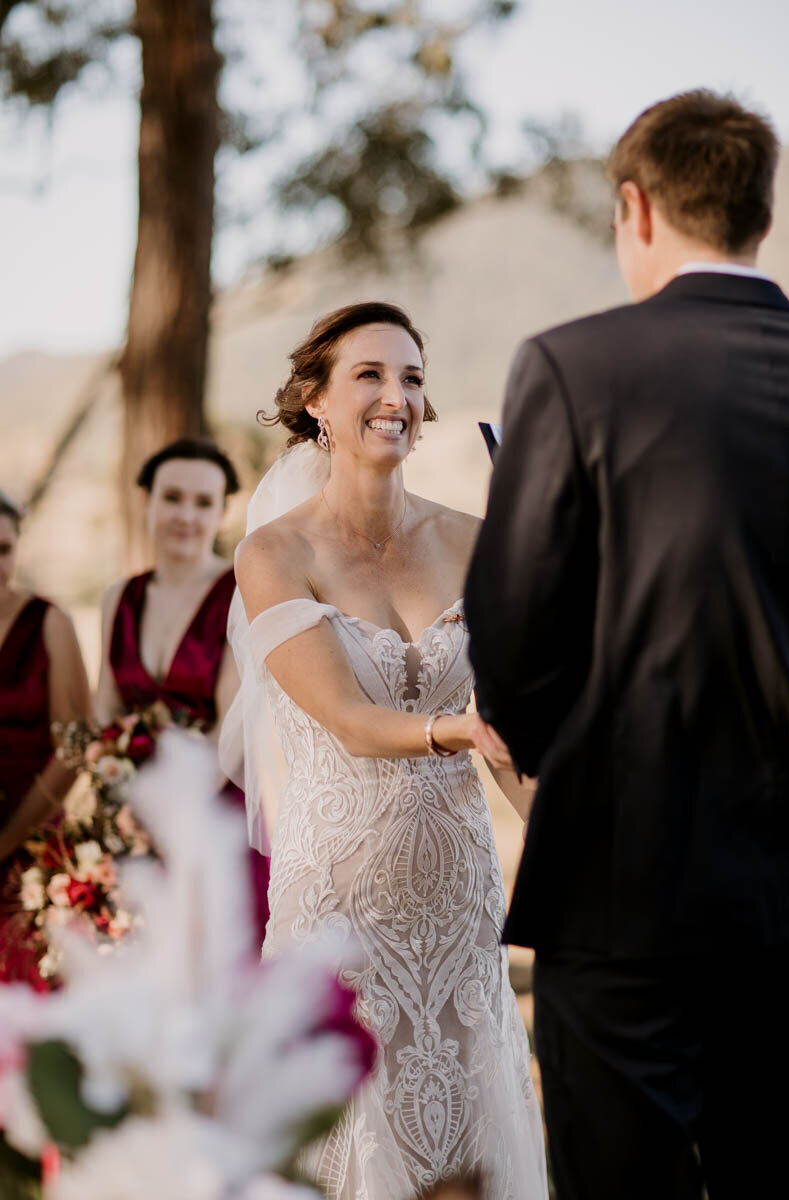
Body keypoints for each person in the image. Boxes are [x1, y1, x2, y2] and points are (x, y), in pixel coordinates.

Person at [465, 89, 789, 1199]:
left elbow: (511, 648)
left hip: (624, 886)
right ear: (756, 214)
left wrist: (592, 750)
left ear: (633, 208)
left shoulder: (575, 368)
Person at [230, 302, 546, 1198]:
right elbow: (344, 715)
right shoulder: (273, 553)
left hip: (458, 904)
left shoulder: (476, 541)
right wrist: (453, 727)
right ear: (315, 403)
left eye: (410, 377)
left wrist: (572, 836)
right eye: (368, 374)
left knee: (471, 1145)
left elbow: (512, 730)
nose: (395, 396)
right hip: (338, 905)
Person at [95, 438, 270, 944]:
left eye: (202, 503)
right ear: (146, 501)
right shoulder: (118, 598)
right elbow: (106, 709)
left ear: (221, 512)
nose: (185, 516)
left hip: (218, 817)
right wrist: (123, 807)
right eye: (172, 498)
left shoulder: (239, 593)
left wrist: (167, 814)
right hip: (135, 817)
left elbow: (230, 724)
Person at [0, 488, 92, 985]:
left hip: (33, 845)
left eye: (3, 549)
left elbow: (76, 745)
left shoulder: (50, 623)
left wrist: (11, 836)